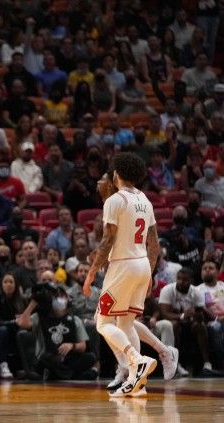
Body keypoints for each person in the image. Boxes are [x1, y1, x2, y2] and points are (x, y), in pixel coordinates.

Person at [83, 153, 160, 397]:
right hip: (142, 265)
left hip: (123, 265)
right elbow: (155, 244)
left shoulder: (115, 200)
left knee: (102, 322)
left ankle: (137, 360)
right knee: (125, 323)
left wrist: (91, 272)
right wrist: (148, 274)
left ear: (117, 174)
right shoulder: (145, 200)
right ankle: (138, 384)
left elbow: (107, 240)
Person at [0, 274, 27, 379]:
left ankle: (27, 367)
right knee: (4, 330)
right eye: (5, 282)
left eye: (11, 282)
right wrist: (14, 322)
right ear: (1, 285)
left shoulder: (22, 300)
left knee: (25, 332)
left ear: (16, 285)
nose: (8, 285)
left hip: (15, 330)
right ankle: (3, 365)